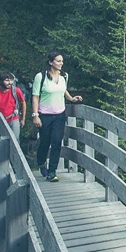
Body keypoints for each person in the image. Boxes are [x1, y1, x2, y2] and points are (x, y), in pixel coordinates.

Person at [32, 51, 82, 182]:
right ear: (50, 62)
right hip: (45, 115)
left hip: (59, 114)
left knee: (56, 141)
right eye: (58, 61)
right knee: (45, 142)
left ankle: (52, 171)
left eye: (62, 61)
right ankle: (41, 162)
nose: (61, 63)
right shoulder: (40, 77)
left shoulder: (64, 76)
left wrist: (71, 98)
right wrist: (35, 115)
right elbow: (35, 96)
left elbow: (63, 89)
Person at [0, 73, 26, 139]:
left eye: (11, 80)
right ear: (0, 81)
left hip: (13, 118)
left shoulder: (16, 91)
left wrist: (23, 119)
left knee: (15, 140)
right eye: (7, 80)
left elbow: (23, 103)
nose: (10, 83)